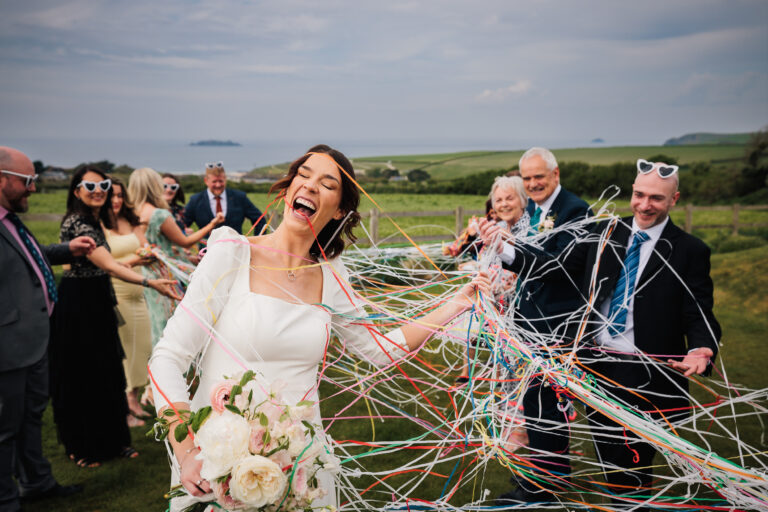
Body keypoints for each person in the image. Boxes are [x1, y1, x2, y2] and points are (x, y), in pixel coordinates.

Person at [149, 145, 490, 511]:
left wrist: (456, 304)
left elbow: (378, 350)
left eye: (327, 184)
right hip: (218, 460)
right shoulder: (233, 252)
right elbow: (167, 358)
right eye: (304, 175)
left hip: (302, 463)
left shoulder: (332, 275)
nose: (310, 186)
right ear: (288, 189)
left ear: (340, 210)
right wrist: (188, 452)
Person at [484, 160, 721, 504]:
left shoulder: (690, 250)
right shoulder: (605, 232)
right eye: (639, 195)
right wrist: (504, 248)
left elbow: (698, 311)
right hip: (594, 362)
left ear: (674, 200)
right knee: (601, 446)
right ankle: (559, 489)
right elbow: (555, 267)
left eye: (656, 198)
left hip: (645, 371)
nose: (644, 205)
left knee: (630, 464)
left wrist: (702, 348)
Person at [49, 166, 179, 469]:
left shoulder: (97, 220)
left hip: (99, 298)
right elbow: (109, 265)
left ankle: (115, 442)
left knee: (107, 371)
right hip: (79, 302)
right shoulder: (77, 223)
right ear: (77, 190)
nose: (99, 190)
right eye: (90, 185)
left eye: (103, 185)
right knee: (82, 375)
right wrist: (150, 282)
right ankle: (81, 446)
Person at [482, 147, 591, 501]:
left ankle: (548, 484)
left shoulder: (574, 210)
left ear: (555, 175)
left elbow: (559, 265)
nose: (532, 184)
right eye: (526, 178)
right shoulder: (537, 212)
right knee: (538, 407)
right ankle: (546, 479)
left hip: (557, 326)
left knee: (548, 407)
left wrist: (507, 249)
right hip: (531, 326)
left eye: (538, 177)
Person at [0, 147, 93, 511]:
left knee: (31, 416)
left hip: (35, 340)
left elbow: (30, 253)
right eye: (27, 181)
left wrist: (67, 249)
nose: (33, 189)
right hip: (8, 345)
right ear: (2, 179)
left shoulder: (9, 219)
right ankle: (6, 500)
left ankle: (36, 482)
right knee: (5, 429)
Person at [129, 167, 225, 346]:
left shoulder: (133, 213)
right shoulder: (159, 214)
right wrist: (212, 224)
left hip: (145, 274)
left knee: (154, 322)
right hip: (166, 276)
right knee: (170, 323)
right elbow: (185, 241)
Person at [454, 177, 528, 384]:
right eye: (499, 200)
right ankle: (500, 387)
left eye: (509, 198)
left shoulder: (531, 227)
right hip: (497, 301)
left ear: (522, 199)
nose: (503, 204)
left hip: (523, 308)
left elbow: (533, 262)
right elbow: (489, 261)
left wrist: (511, 283)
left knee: (520, 359)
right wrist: (479, 272)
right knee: (498, 346)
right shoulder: (499, 227)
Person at [105, 177, 154, 427]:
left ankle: (134, 396)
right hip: (116, 293)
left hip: (139, 292)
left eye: (119, 195)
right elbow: (105, 263)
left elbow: (147, 248)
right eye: (111, 195)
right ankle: (126, 403)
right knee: (124, 350)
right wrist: (134, 260)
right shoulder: (99, 224)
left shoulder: (130, 221)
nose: (115, 200)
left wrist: (137, 258)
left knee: (143, 347)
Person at [183, 162, 267, 236]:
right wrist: (185, 234)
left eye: (221, 181)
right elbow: (182, 225)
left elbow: (260, 219)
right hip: (206, 251)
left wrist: (256, 242)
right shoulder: (195, 200)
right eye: (214, 181)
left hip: (236, 251)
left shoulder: (240, 197)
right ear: (206, 181)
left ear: (225, 179)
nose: (218, 185)